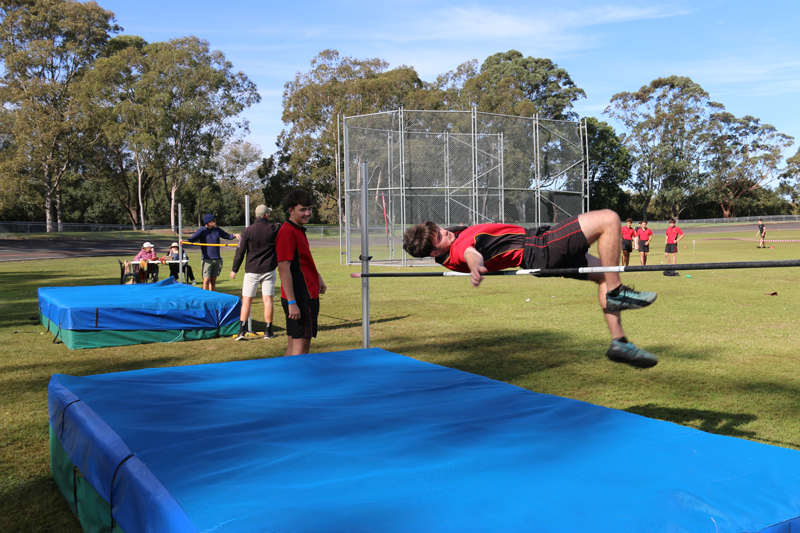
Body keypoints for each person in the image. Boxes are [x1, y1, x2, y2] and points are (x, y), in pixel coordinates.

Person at [402, 209, 659, 368]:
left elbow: (448, 239)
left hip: (536, 256)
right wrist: (476, 266)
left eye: (439, 229)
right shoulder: (459, 249)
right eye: (439, 236)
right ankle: (616, 292)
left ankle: (619, 342)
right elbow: (471, 254)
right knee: (609, 219)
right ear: (434, 251)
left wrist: (428, 232)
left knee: (604, 274)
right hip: (540, 246)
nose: (445, 232)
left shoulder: (445, 248)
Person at [276, 189, 327, 356]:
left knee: (293, 347)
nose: (307, 213)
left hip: (304, 295)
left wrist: (318, 277)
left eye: (309, 209)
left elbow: (303, 260)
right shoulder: (288, 232)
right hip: (300, 297)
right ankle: (296, 375)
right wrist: (292, 302)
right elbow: (283, 268)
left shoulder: (297, 229)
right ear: (291, 210)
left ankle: (285, 374)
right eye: (302, 209)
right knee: (301, 349)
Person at [230, 204, 282, 340]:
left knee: (247, 300)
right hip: (269, 269)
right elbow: (283, 225)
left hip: (252, 270)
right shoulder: (274, 228)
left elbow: (240, 252)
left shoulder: (247, 231)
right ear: (266, 215)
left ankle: (241, 332)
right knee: (268, 300)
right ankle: (268, 331)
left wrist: (234, 269)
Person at [186, 214, 241, 291]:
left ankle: (212, 295)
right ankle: (204, 295)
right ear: (208, 222)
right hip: (207, 259)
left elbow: (227, 236)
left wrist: (234, 235)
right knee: (206, 279)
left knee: (213, 279)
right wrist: (185, 241)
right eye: (213, 221)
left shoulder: (217, 230)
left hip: (217, 259)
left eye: (215, 220)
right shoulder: (202, 230)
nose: (215, 222)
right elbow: (193, 238)